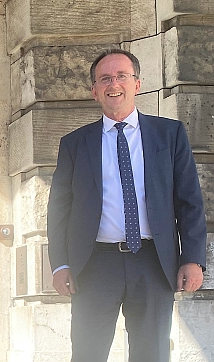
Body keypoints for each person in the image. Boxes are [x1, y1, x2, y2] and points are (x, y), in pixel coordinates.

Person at [47, 49, 207, 361]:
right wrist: (60, 264)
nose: (114, 84)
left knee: (152, 354)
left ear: (137, 84)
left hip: (153, 263)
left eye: (122, 76)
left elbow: (189, 200)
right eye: (105, 78)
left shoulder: (169, 134)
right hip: (94, 265)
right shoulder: (74, 144)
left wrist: (192, 258)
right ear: (94, 91)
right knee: (88, 354)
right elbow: (59, 210)